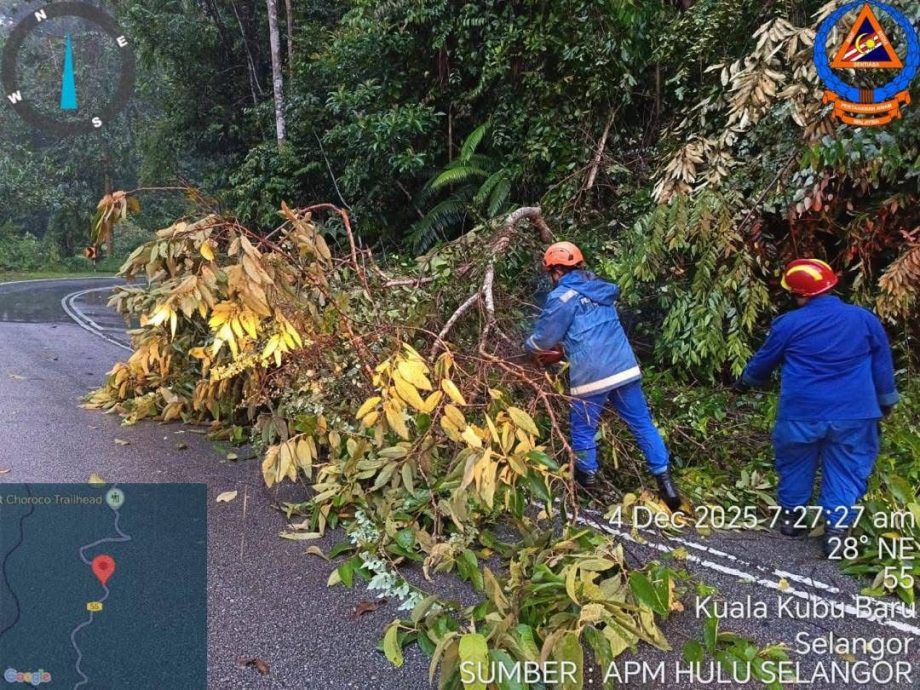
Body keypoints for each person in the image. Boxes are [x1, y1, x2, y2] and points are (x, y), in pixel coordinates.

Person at [738, 258, 899, 557]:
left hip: (801, 413)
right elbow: (882, 365)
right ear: (830, 285)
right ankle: (836, 532)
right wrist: (886, 402)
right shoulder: (864, 319)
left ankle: (792, 519)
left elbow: (763, 362)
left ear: (798, 294)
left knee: (795, 463)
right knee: (847, 468)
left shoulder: (788, 324)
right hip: (855, 413)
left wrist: (746, 381)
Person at [524, 241, 681, 510]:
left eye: (550, 273)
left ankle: (588, 488)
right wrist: (564, 351)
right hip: (623, 367)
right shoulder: (599, 288)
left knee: (583, 430)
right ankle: (667, 485)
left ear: (557, 271)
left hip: (592, 374)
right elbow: (591, 330)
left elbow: (544, 339)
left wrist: (527, 348)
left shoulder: (562, 297)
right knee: (642, 424)